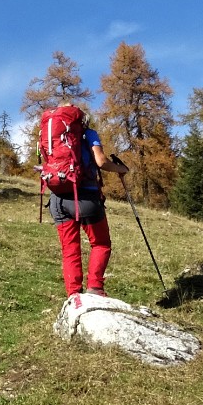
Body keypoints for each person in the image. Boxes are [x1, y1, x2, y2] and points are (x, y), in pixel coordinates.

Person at [47, 111, 129, 297]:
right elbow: (101, 161)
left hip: (57, 199)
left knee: (70, 249)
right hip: (85, 197)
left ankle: (73, 295)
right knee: (101, 244)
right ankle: (95, 288)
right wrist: (120, 169)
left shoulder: (52, 137)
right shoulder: (88, 133)